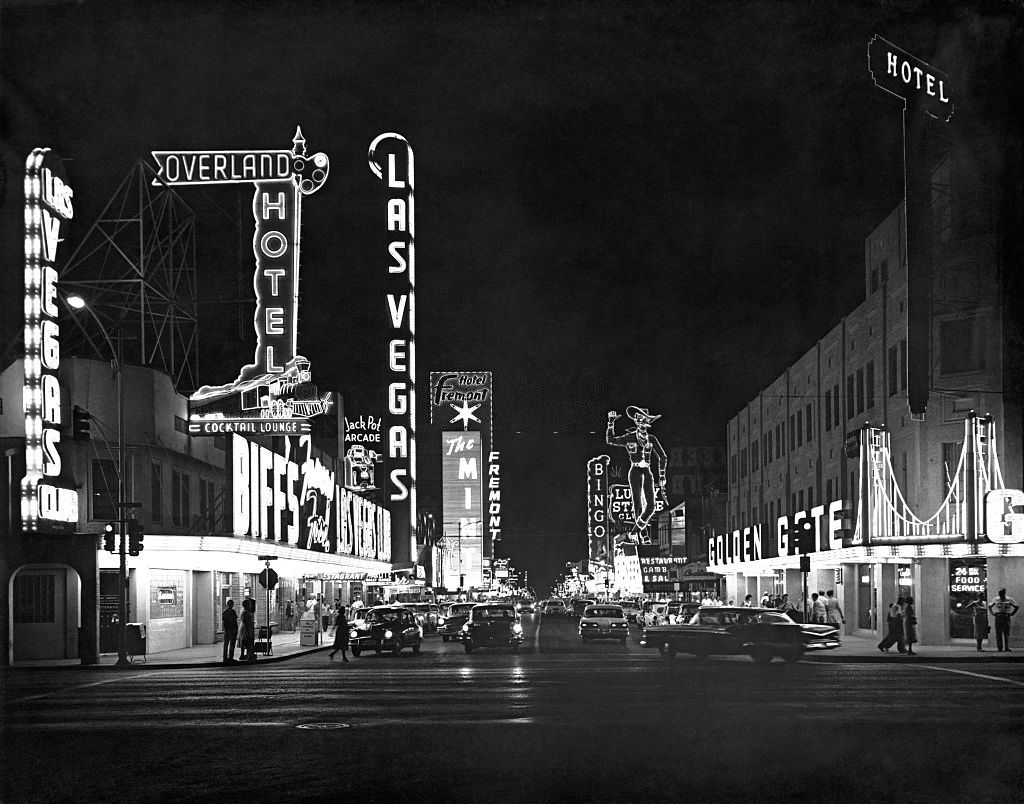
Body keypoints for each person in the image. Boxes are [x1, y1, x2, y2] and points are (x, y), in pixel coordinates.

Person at [606, 407, 668, 543]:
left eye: (644, 419)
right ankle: (644, 536)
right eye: (638, 419)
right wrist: (611, 423)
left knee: (651, 506)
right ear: (636, 422)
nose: (641, 422)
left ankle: (635, 531)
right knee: (637, 505)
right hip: (635, 471)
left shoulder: (651, 439)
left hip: (647, 471)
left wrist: (662, 475)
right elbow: (610, 440)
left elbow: (663, 457)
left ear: (647, 422)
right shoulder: (629, 437)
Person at [239, 598, 257, 662]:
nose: (250, 605)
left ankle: (243, 655)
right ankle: (249, 656)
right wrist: (248, 631)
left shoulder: (243, 610)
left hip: (243, 628)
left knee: (243, 642)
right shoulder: (245, 612)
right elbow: (245, 621)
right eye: (249, 604)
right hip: (246, 628)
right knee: (248, 641)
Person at [221, 599, 238, 664]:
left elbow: (233, 621)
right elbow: (225, 622)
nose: (231, 605)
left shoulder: (227, 612)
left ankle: (228, 657)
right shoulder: (228, 612)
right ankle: (227, 657)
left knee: (229, 644)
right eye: (231, 604)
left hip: (230, 630)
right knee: (228, 644)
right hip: (229, 630)